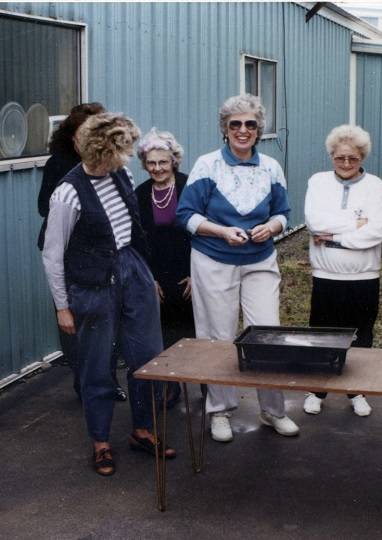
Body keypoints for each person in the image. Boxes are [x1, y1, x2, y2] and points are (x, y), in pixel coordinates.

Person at [42, 112, 175, 476]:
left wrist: (146, 276)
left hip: (131, 269)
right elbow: (52, 254)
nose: (115, 165)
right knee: (97, 364)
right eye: (109, 160)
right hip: (91, 282)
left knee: (147, 355)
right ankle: (101, 441)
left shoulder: (122, 174)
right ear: (93, 153)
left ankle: (142, 429)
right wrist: (62, 306)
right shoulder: (68, 193)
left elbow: (131, 227)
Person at [176, 94, 299, 443]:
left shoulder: (271, 167)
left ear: (258, 129)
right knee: (218, 335)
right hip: (213, 258)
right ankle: (220, 411)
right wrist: (221, 230)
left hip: (260, 259)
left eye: (250, 124)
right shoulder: (207, 165)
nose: (243, 130)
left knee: (267, 332)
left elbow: (282, 214)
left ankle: (273, 410)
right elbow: (186, 216)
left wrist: (271, 228)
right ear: (225, 129)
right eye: (235, 124)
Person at [37, 102, 127, 403]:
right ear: (73, 136)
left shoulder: (109, 164)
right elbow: (43, 207)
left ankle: (108, 381)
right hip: (68, 251)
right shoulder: (60, 164)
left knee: (107, 326)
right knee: (73, 323)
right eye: (84, 132)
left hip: (101, 255)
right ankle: (83, 382)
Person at [303, 124, 382, 417]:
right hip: (326, 275)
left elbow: (376, 232)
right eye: (341, 158)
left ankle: (357, 391)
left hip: (363, 277)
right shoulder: (318, 182)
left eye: (354, 158)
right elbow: (315, 222)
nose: (347, 163)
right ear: (332, 156)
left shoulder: (375, 185)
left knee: (361, 336)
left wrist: (336, 236)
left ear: (362, 156)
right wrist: (354, 225)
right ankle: (318, 390)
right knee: (322, 335)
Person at [136, 128, 194, 408]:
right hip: (156, 275)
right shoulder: (139, 193)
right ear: (144, 164)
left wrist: (197, 273)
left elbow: (202, 232)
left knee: (193, 331)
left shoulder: (190, 186)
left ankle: (204, 388)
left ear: (174, 161)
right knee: (161, 332)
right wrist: (149, 278)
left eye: (163, 162)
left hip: (189, 274)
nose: (157, 168)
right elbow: (137, 240)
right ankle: (169, 386)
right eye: (151, 163)